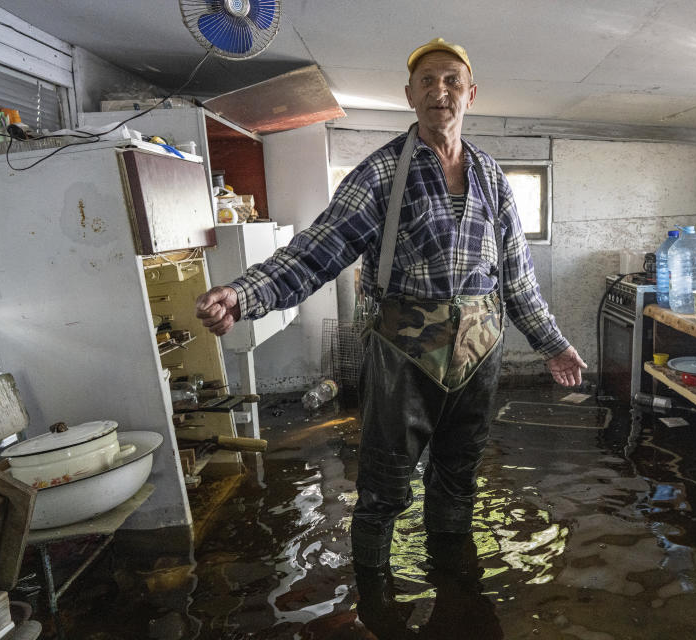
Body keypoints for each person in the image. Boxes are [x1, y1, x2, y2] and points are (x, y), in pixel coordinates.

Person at [196, 37, 585, 636]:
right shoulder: (381, 172)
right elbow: (316, 250)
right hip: (403, 351)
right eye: (427, 81)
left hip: (481, 352)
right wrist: (244, 294)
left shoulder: (491, 178)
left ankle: (454, 587)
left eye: (452, 81)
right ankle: (376, 606)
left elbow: (517, 278)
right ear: (409, 95)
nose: (440, 91)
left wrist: (552, 343)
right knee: (383, 488)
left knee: (458, 476)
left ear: (470, 94)